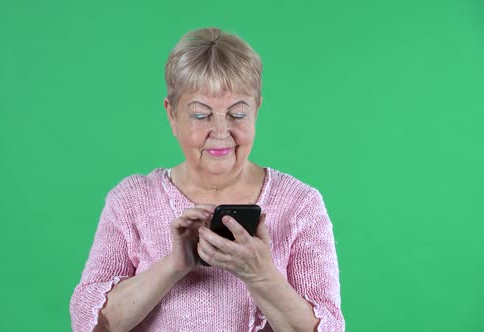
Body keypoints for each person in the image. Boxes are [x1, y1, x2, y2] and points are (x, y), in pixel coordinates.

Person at [70, 27, 345, 332]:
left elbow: (330, 327)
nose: (220, 132)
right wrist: (174, 265)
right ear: (172, 115)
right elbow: (88, 321)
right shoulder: (132, 200)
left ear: (257, 110)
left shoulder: (300, 205)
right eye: (201, 115)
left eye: (237, 114)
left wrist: (261, 276)